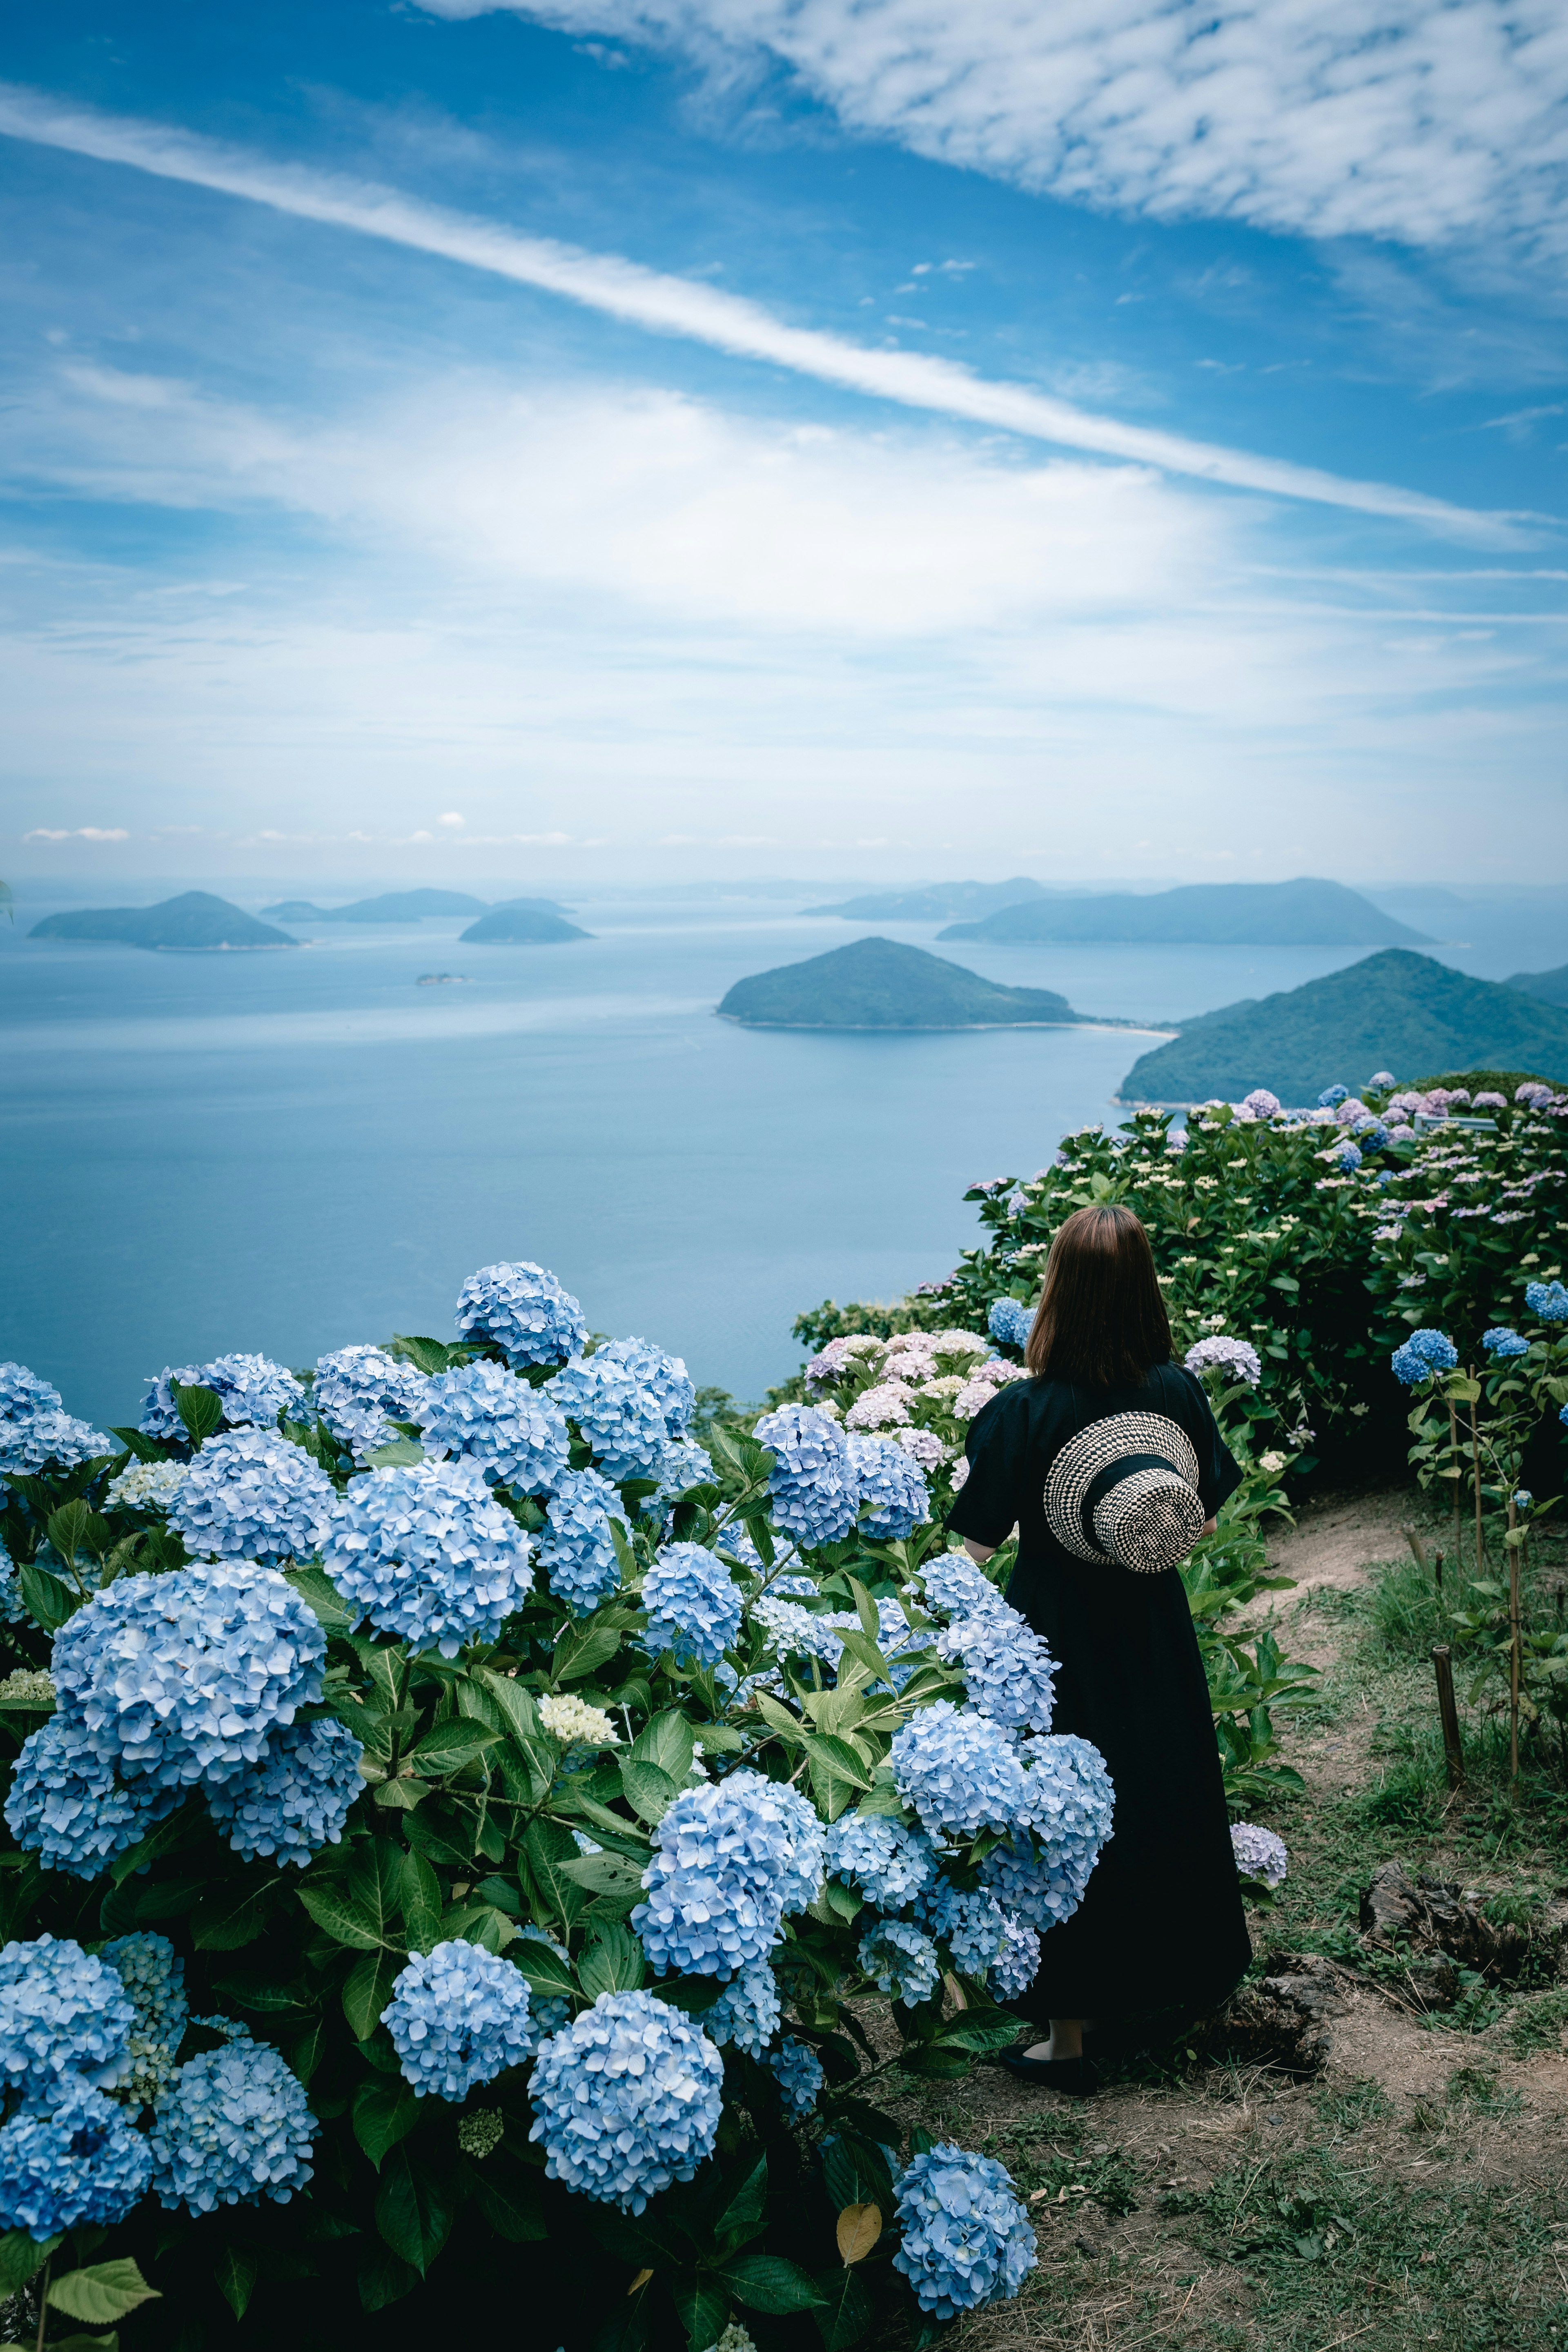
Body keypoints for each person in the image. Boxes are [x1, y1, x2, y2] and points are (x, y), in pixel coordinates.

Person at [946, 1200, 1251, 2097]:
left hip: (1054, 1643)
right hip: (1153, 1628)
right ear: (1145, 1293)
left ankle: (1068, 2039)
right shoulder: (1177, 1391)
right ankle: (1175, 1986)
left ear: (1059, 1294)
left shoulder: (1023, 1411)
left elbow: (972, 1547)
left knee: (1062, 1823)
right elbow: (1202, 1499)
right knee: (1165, 1790)